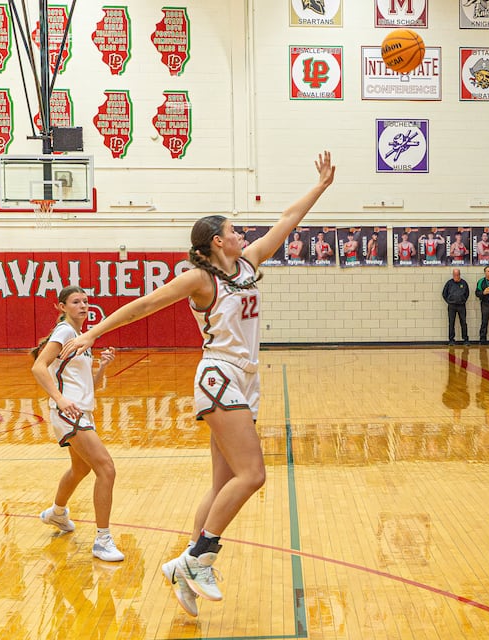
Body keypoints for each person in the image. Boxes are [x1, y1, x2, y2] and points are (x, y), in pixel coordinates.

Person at [60, 151, 335, 617]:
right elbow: (143, 306)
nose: (241, 234)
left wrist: (321, 187)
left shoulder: (248, 262)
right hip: (219, 376)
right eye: (232, 229)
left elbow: (287, 219)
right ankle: (199, 557)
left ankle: (184, 567)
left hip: (246, 381)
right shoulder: (199, 279)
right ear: (215, 241)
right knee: (254, 474)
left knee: (223, 481)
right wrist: (92, 331)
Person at [30, 286, 124, 563]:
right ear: (61, 307)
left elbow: (88, 386)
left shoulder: (83, 338)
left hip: (82, 409)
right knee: (106, 468)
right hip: (69, 411)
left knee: (81, 467)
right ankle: (103, 540)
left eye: (85, 301)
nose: (83, 305)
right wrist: (59, 399)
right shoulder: (65, 332)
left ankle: (57, 513)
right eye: (75, 302)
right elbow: (39, 367)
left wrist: (102, 367)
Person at [442, 268, 470, 345]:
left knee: (463, 323)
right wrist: (449, 301)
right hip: (451, 306)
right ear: (453, 275)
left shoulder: (464, 283)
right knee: (451, 323)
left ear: (459, 275)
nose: (456, 276)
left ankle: (465, 339)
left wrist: (463, 300)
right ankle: (451, 340)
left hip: (461, 306)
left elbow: (467, 294)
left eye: (457, 275)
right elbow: (444, 294)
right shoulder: (449, 283)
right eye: (454, 275)